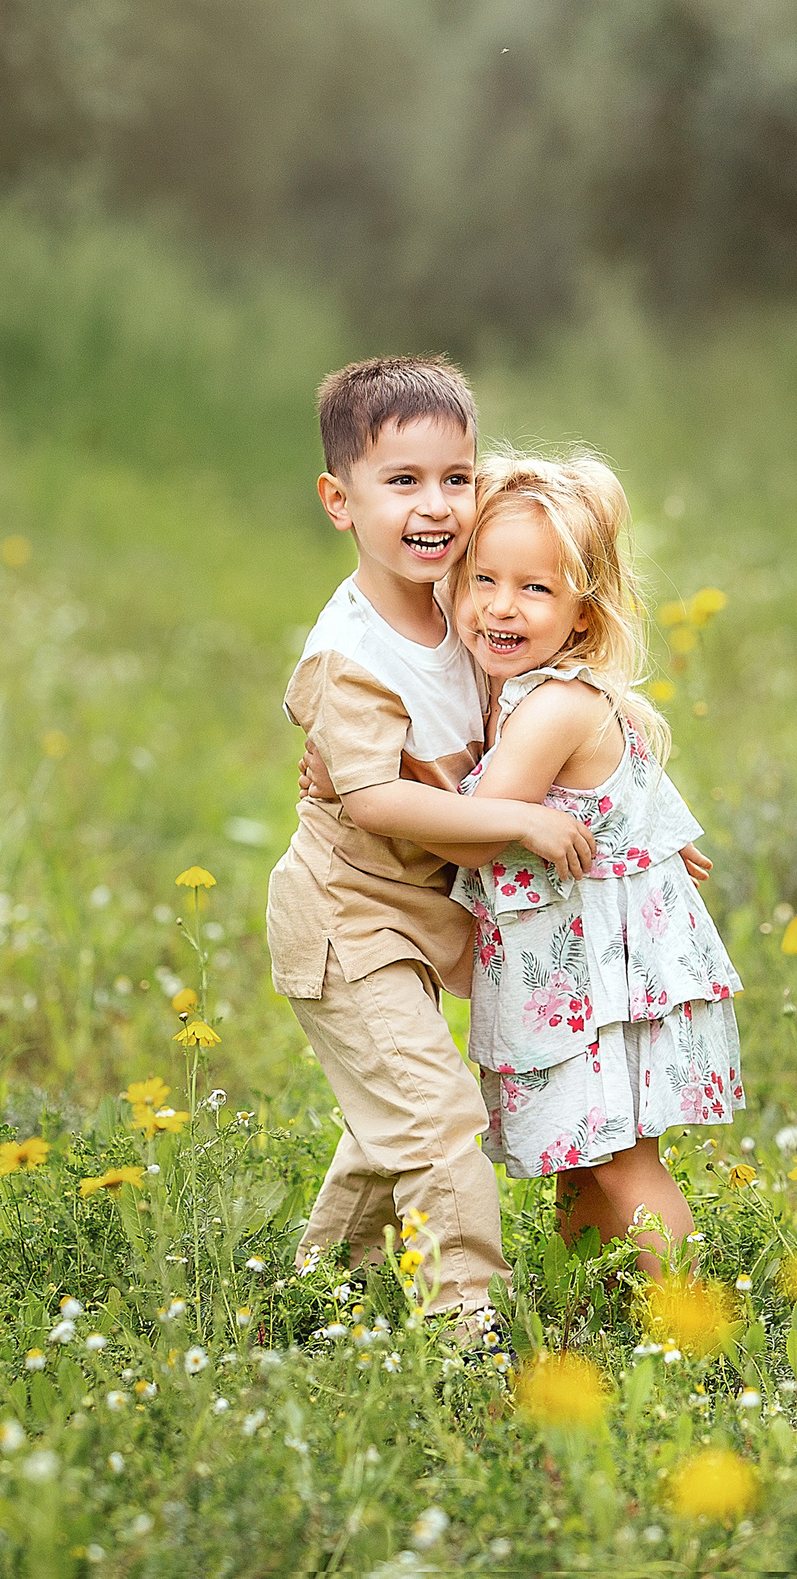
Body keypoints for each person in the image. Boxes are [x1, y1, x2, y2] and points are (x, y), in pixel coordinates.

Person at [266, 357, 597, 1331]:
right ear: (340, 500)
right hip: (347, 918)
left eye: (456, 477)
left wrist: (634, 822)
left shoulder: (471, 602)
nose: (435, 504)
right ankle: (466, 1329)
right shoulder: (350, 656)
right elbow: (372, 800)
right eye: (401, 481)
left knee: (389, 1125)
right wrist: (519, 822)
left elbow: (552, 703)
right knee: (437, 1117)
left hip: (425, 912)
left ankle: (322, 1290)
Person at [442, 451, 744, 1276]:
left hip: (593, 981)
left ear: (582, 613)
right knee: (581, 1155)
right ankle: (590, 1309)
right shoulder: (537, 693)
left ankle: (686, 1320)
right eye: (483, 579)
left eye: (535, 588)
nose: (501, 606)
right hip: (583, 972)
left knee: (620, 1159)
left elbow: (469, 833)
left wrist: (368, 790)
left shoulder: (551, 707)